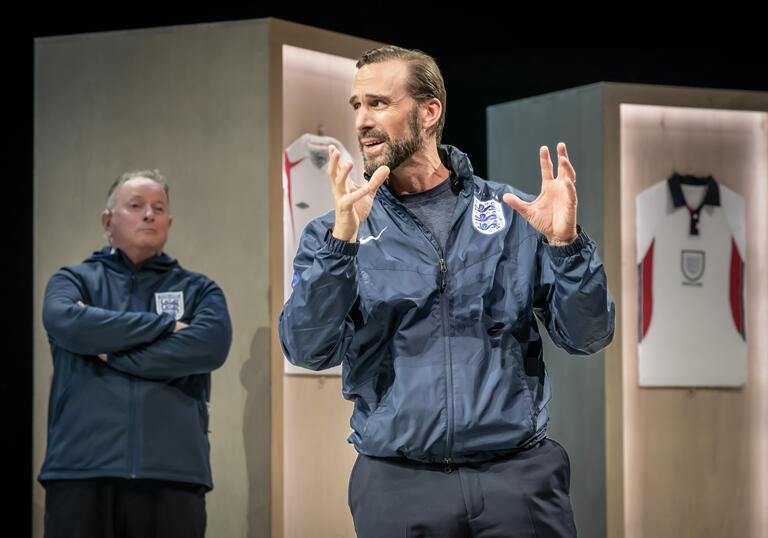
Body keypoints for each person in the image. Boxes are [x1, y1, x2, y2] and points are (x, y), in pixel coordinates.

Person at [279, 46, 615, 537]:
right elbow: (307, 350)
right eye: (356, 106)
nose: (362, 121)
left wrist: (566, 246)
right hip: (398, 485)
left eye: (378, 103)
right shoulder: (338, 231)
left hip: (517, 481)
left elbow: (588, 336)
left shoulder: (509, 214)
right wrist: (340, 247)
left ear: (428, 111)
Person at [39, 170, 232, 538]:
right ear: (107, 220)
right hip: (80, 471)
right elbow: (66, 321)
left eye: (158, 208)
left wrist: (112, 354)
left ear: (169, 223)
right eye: (136, 205)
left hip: (174, 475)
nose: (149, 214)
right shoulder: (72, 281)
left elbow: (210, 344)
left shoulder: (199, 290)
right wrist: (162, 327)